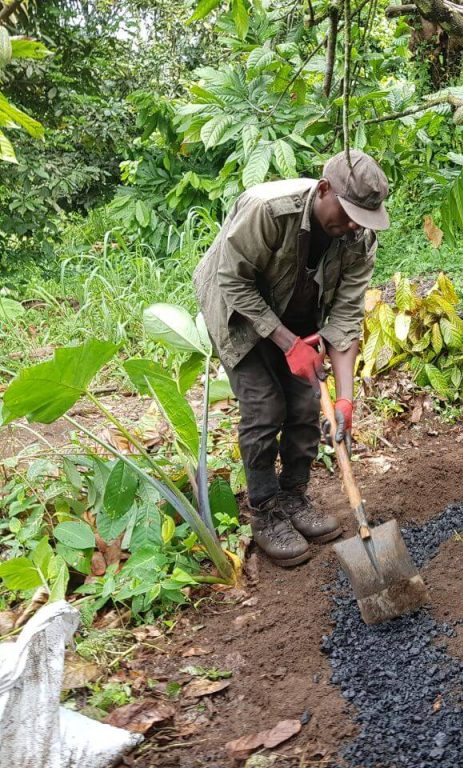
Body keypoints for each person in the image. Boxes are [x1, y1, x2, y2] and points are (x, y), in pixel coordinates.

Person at [193, 150, 389, 567]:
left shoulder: (359, 238)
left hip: (299, 310)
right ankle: (265, 512)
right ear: (323, 190)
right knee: (266, 407)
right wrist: (287, 343)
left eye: (363, 218)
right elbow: (232, 281)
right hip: (235, 306)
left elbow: (347, 317)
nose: (354, 225)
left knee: (304, 404)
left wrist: (346, 400)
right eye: (349, 212)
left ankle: (294, 497)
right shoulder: (268, 210)